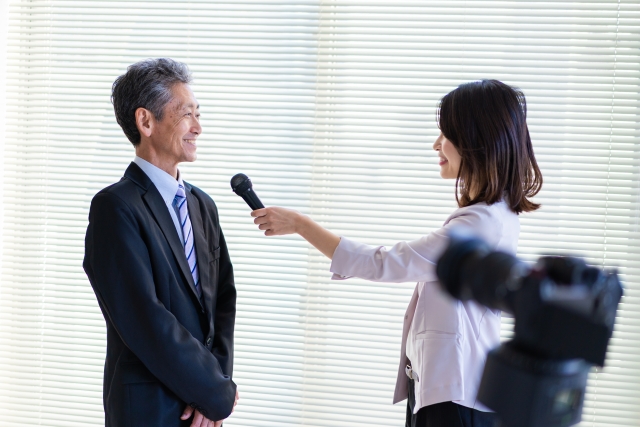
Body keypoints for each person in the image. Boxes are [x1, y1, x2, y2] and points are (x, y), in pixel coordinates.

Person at [251, 80, 543, 427]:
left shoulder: (478, 225)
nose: (436, 145)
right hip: (454, 388)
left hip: (456, 396)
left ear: (476, 141)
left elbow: (388, 263)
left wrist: (300, 224)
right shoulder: (495, 215)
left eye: (446, 135)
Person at [83, 58, 238, 427]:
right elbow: (144, 317)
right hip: (149, 409)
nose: (198, 128)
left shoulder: (203, 205)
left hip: (202, 408)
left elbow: (223, 302)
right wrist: (212, 392)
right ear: (146, 121)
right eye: (187, 114)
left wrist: (214, 389)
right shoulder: (115, 207)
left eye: (198, 114)